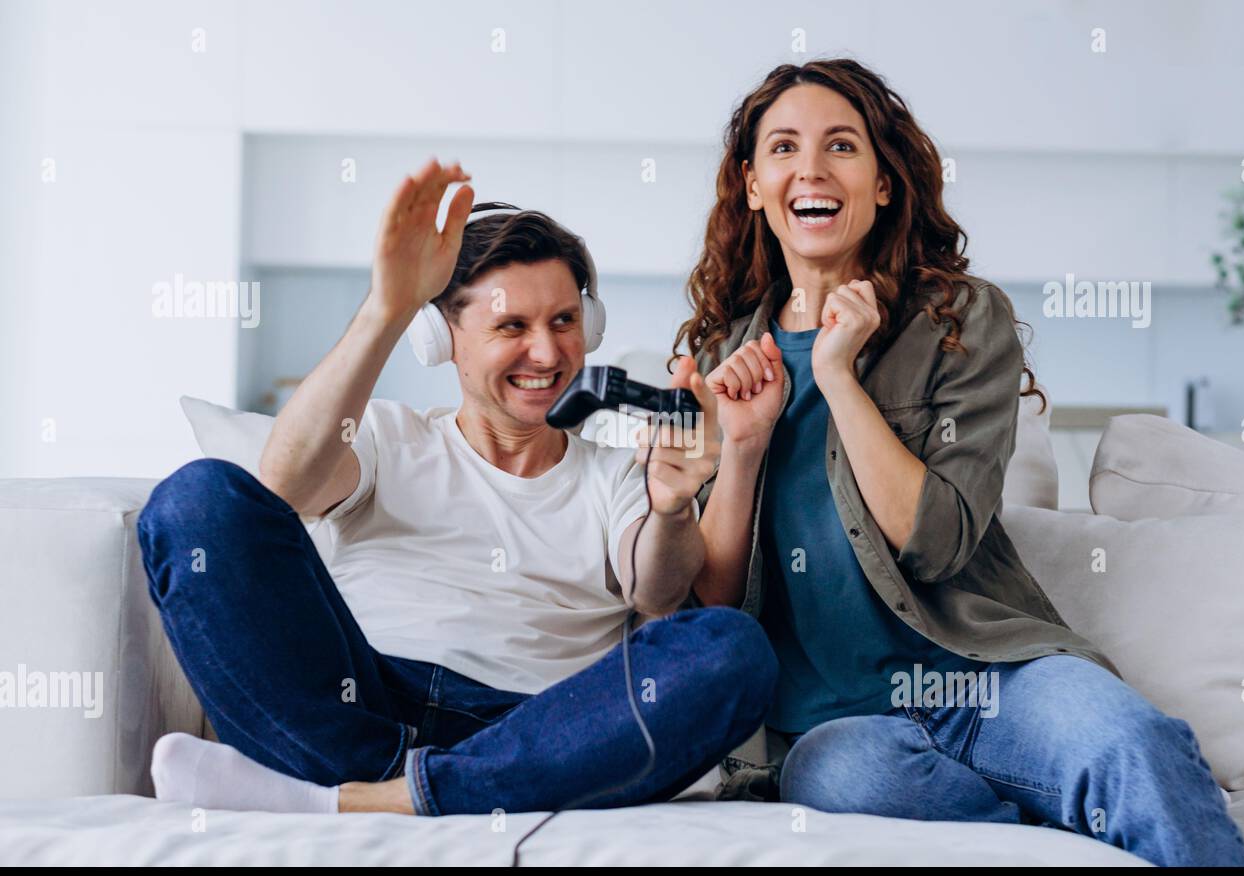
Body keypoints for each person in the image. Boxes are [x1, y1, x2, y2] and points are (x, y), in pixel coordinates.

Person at [677, 59, 1244, 866]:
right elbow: (716, 601)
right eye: (783, 148)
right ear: (751, 184)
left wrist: (839, 376)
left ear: (882, 182)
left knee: (1130, 742)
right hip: (840, 727)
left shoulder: (960, 318)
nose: (811, 168)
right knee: (842, 781)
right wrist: (740, 449)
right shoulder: (721, 355)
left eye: (842, 146)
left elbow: (937, 542)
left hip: (990, 676)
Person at [139, 157, 776, 817]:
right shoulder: (387, 436)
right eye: (511, 326)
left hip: (545, 730)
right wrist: (387, 309)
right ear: (441, 338)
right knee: (196, 500)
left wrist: (672, 509)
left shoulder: (616, 471)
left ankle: (367, 802)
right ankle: (412, 788)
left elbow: (658, 589)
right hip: (360, 714)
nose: (547, 352)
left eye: (563, 321)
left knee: (731, 649)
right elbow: (285, 484)